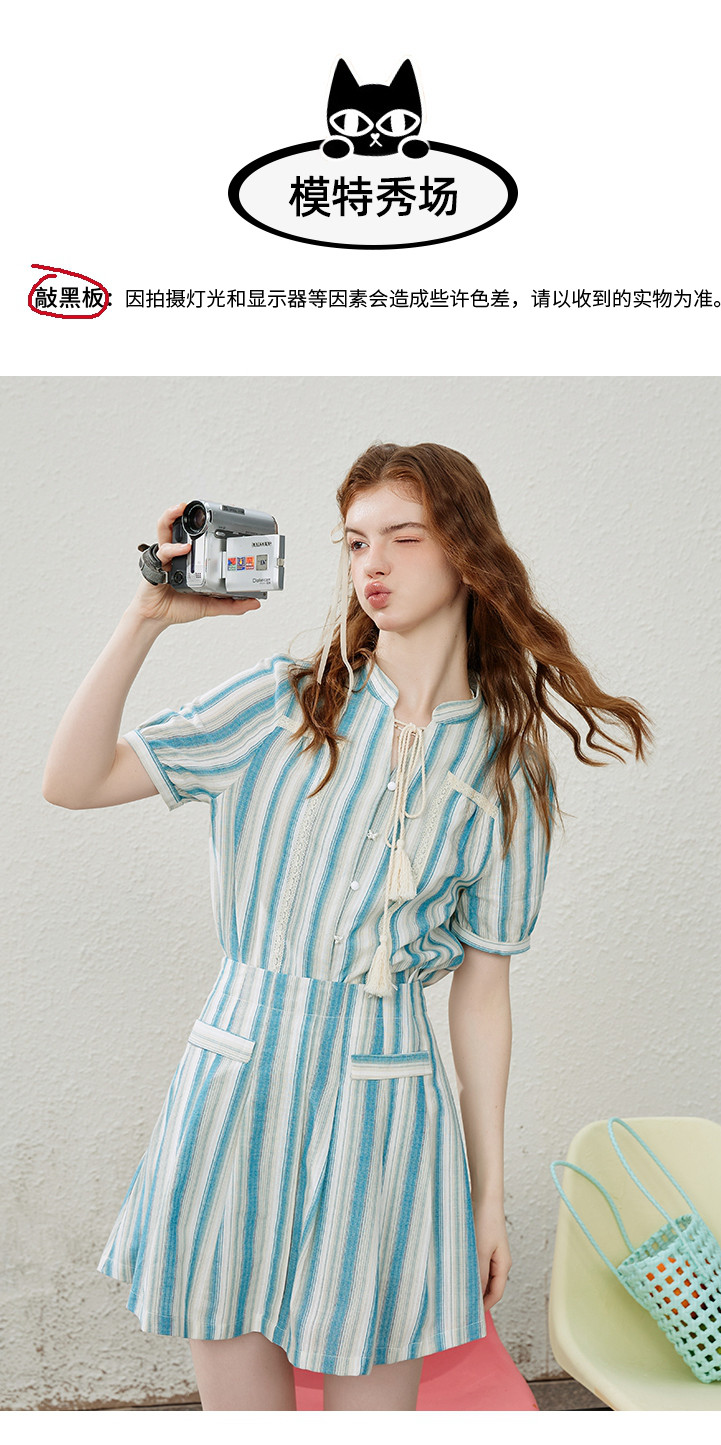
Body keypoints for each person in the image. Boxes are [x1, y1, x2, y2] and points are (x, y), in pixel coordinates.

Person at [43, 442, 653, 1411]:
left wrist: (488, 1193)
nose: (373, 563)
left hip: (388, 1105)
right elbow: (72, 780)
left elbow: (484, 989)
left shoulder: (506, 769)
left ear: (466, 552)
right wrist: (146, 615)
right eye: (357, 540)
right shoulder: (285, 701)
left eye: (404, 538)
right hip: (239, 1083)